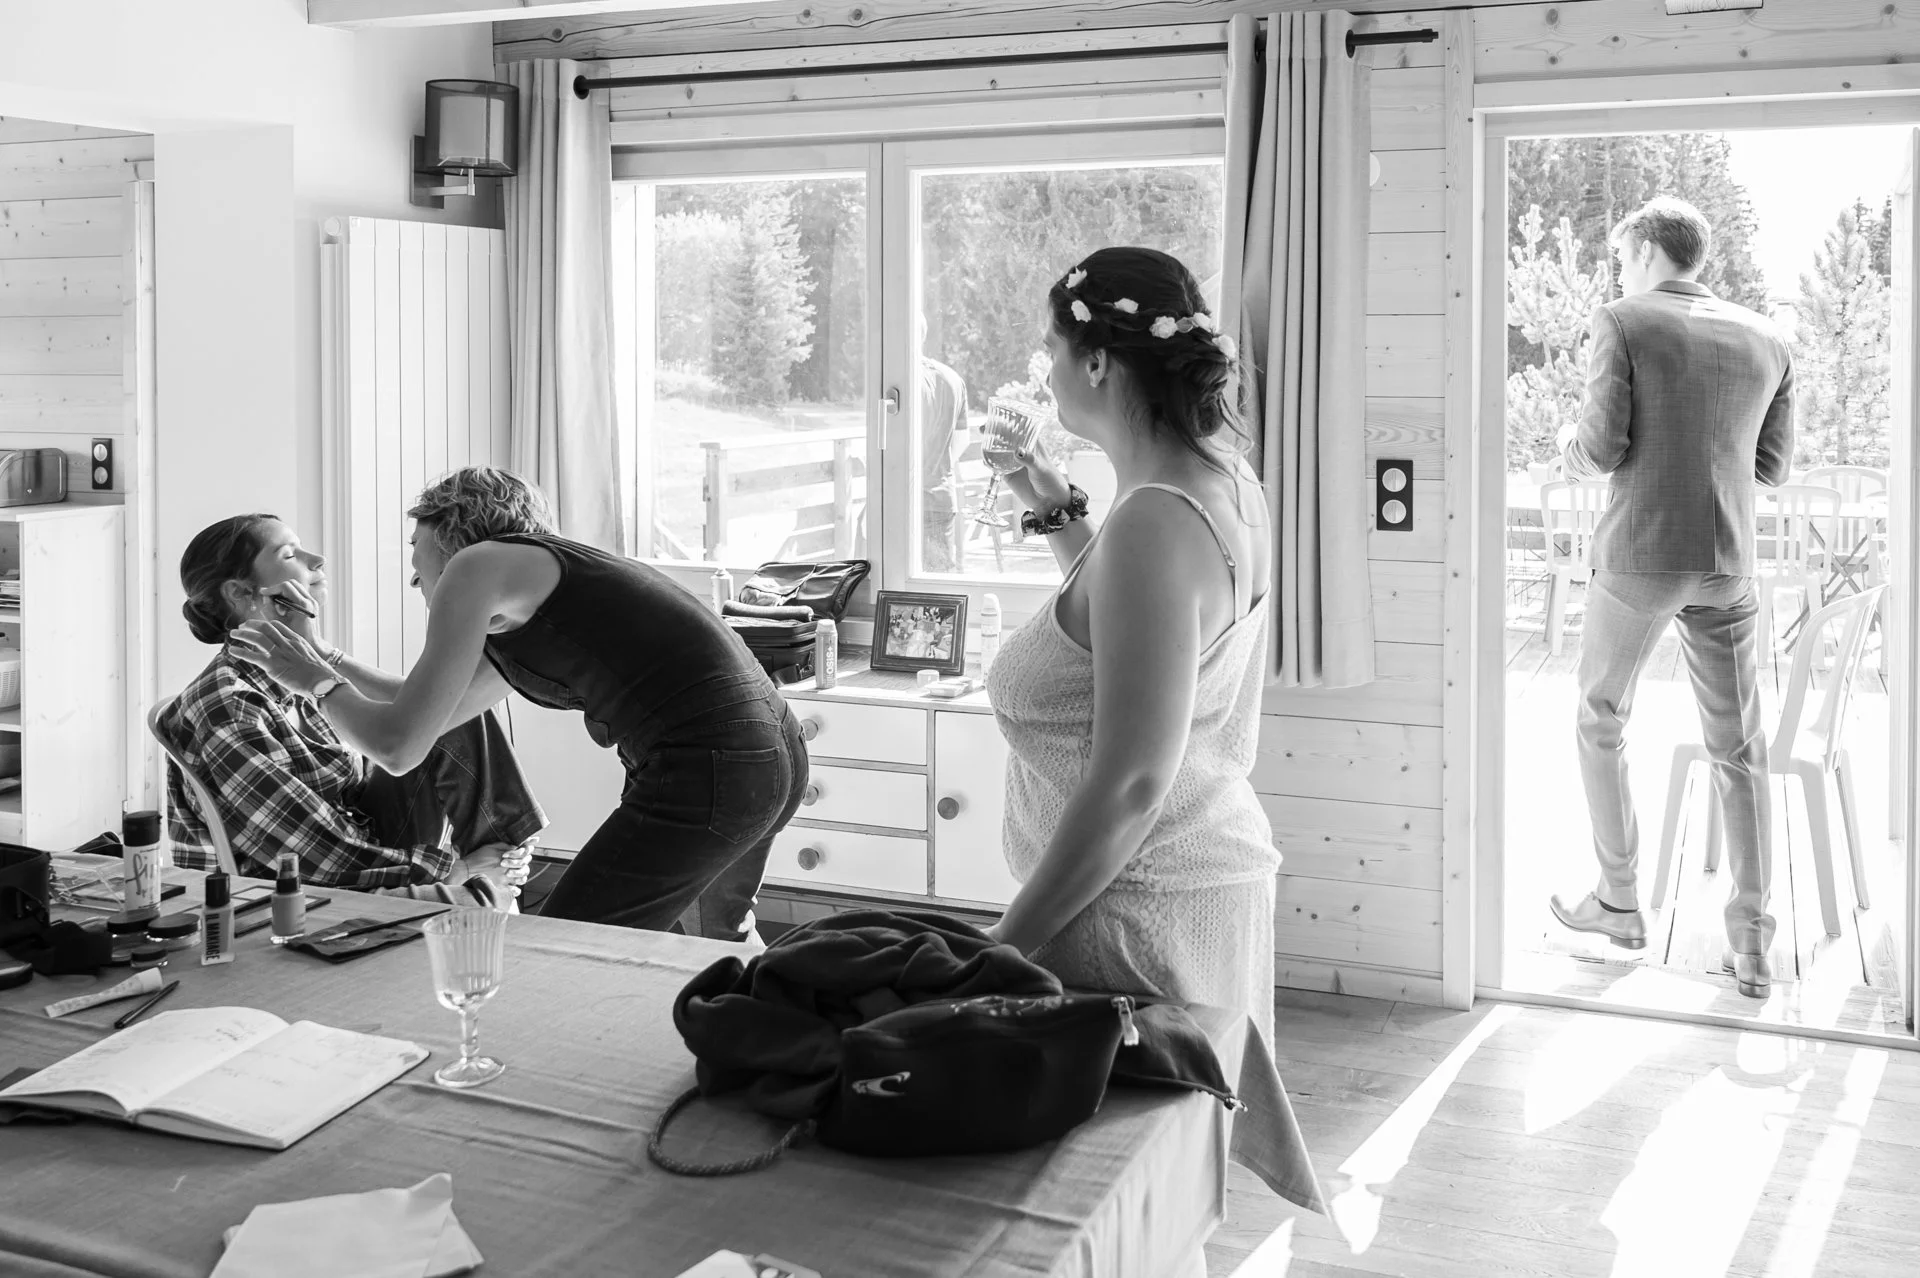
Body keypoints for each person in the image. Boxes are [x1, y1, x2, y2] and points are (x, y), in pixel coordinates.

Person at [984, 246, 1320, 1212]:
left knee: (1094, 1207)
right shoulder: (1222, 484)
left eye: (1053, 348)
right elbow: (1128, 633)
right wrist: (1049, 500)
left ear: (1096, 362)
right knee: (1160, 1197)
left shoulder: (1156, 522)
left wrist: (1006, 946)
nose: (1044, 370)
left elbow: (1131, 780)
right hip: (1201, 881)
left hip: (1135, 914)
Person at [229, 468, 809, 940]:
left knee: (561, 953)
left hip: (712, 765)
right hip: (772, 750)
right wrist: (322, 656)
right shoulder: (543, 593)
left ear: (450, 534)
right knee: (719, 940)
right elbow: (421, 709)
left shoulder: (476, 566)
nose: (417, 577)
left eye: (416, 555)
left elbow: (397, 748)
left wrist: (312, 682)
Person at [1548, 196, 1794, 1000]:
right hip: (1728, 562)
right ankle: (1753, 944)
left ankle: (1620, 901)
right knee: (1741, 747)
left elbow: (1599, 446)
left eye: (1624, 256)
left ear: (1650, 249)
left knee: (1600, 717)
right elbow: (1771, 469)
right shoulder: (1769, 337)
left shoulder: (1623, 321)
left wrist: (1562, 444)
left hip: (1642, 555)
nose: (1621, 273)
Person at [162, 515, 543, 902]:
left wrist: (321, 655)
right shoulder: (229, 708)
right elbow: (317, 855)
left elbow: (416, 713)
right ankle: (496, 881)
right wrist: (457, 868)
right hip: (299, 888)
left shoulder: (293, 673)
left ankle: (504, 866)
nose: (319, 559)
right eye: (291, 554)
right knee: (446, 718)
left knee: (452, 711)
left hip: (358, 843)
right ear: (242, 593)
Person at [918, 315, 970, 572]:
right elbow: (962, 438)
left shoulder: (901, 381)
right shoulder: (952, 378)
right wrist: (937, 465)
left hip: (905, 500)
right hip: (941, 497)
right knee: (938, 581)